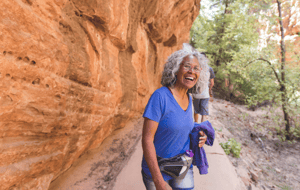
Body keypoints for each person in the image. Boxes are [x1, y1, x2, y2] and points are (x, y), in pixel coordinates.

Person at [141, 44, 210, 190]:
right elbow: (147, 140)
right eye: (187, 66)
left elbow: (182, 127)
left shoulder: (189, 98)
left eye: (196, 68)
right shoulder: (160, 97)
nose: (192, 71)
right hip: (157, 169)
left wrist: (199, 135)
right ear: (176, 69)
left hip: (182, 165)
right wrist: (158, 181)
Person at [192, 52, 215, 123]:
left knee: (196, 111)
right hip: (205, 94)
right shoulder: (210, 69)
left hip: (196, 93)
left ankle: (196, 125)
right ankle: (202, 128)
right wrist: (209, 89)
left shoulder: (195, 68)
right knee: (204, 113)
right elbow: (212, 83)